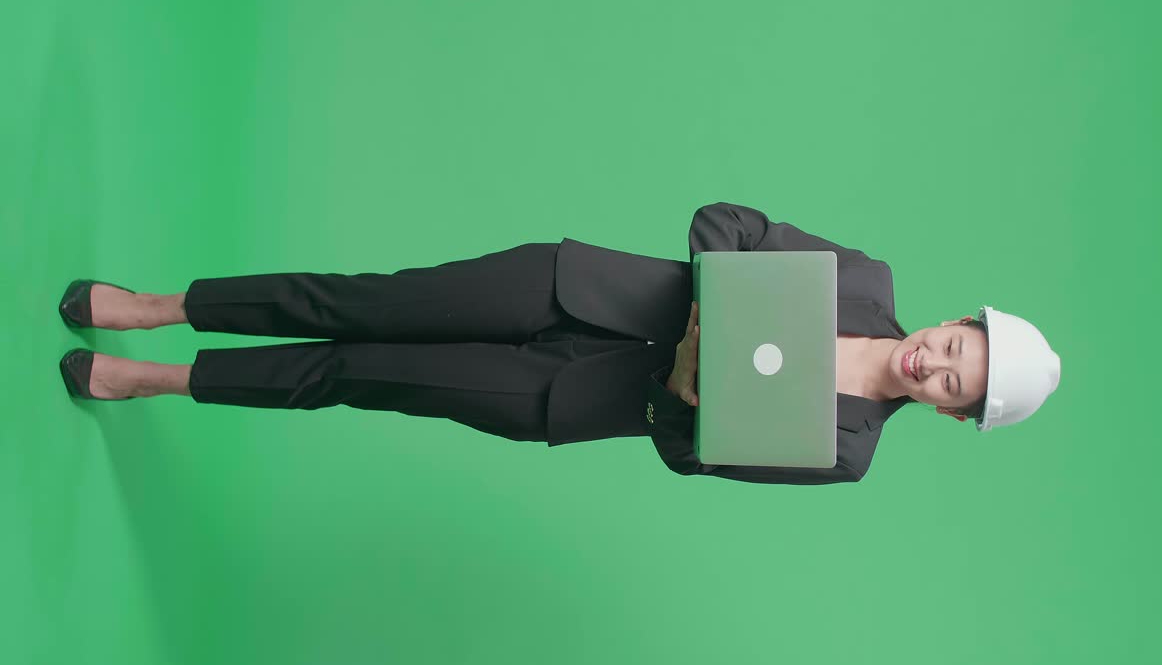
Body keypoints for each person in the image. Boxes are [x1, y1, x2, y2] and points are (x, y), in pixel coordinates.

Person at [57, 202, 1060, 485]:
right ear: (949, 323)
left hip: (561, 398)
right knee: (362, 301)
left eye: (953, 385)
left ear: (947, 412)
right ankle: (160, 304)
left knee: (354, 374)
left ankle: (161, 378)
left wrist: (683, 385)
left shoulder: (846, 450)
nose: (934, 362)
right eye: (953, 345)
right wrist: (714, 318)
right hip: (567, 283)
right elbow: (726, 224)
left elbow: (684, 449)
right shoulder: (863, 281)